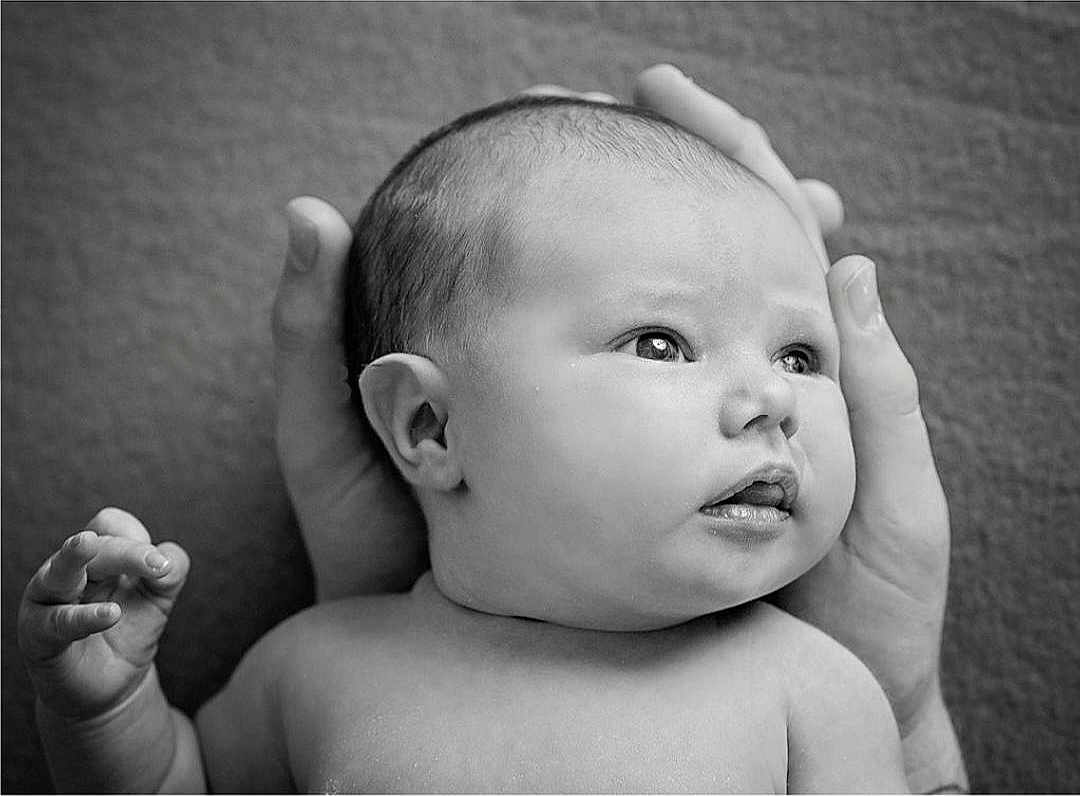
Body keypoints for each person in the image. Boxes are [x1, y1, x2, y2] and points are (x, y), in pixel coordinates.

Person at [17, 65, 968, 793]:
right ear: (431, 425)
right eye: (662, 343)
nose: (776, 400)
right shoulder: (318, 667)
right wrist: (104, 710)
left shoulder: (811, 692)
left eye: (802, 356)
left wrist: (914, 711)